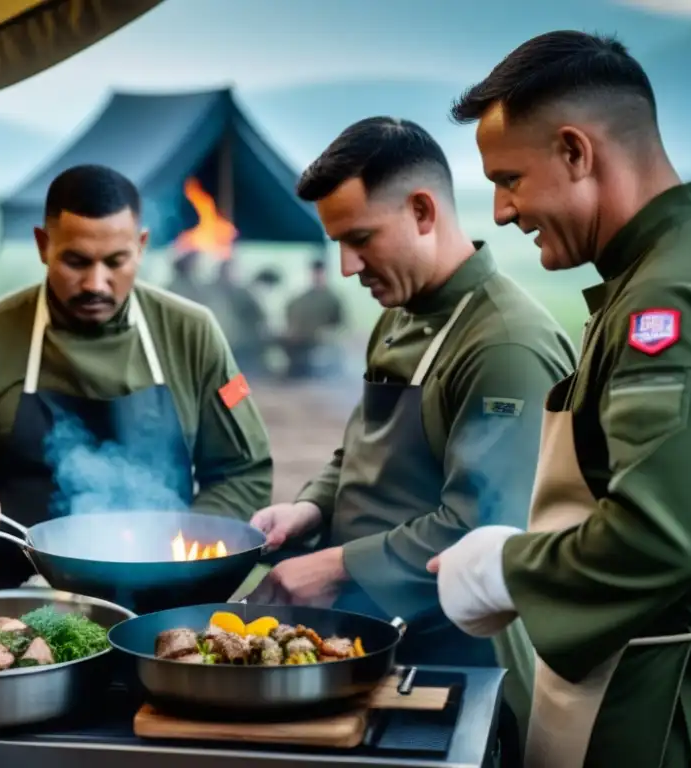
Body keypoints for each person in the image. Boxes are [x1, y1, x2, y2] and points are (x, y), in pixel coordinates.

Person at [429, 29, 691, 768]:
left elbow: (667, 536)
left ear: (575, 151)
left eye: (509, 179)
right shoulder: (665, 270)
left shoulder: (669, 299)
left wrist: (507, 569)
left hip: (662, 711)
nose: (500, 212)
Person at [247, 118, 577, 746]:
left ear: (423, 211)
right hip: (369, 641)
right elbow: (359, 449)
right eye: (337, 244)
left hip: (459, 655)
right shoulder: (398, 313)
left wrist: (336, 567)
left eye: (360, 238)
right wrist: (309, 509)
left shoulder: (504, 344)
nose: (347, 267)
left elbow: (485, 524)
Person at [0, 164, 273, 591]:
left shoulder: (191, 332)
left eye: (115, 262)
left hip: (167, 584)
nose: (95, 283)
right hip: (27, 589)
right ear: (43, 246)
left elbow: (244, 470)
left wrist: (176, 545)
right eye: (76, 261)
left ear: (140, 248)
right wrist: (39, 552)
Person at [282, 259, 345, 379]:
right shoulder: (302, 298)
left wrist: (327, 333)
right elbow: (291, 311)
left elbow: (340, 323)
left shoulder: (332, 299)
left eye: (320, 273)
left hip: (318, 339)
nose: (317, 276)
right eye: (315, 273)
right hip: (299, 338)